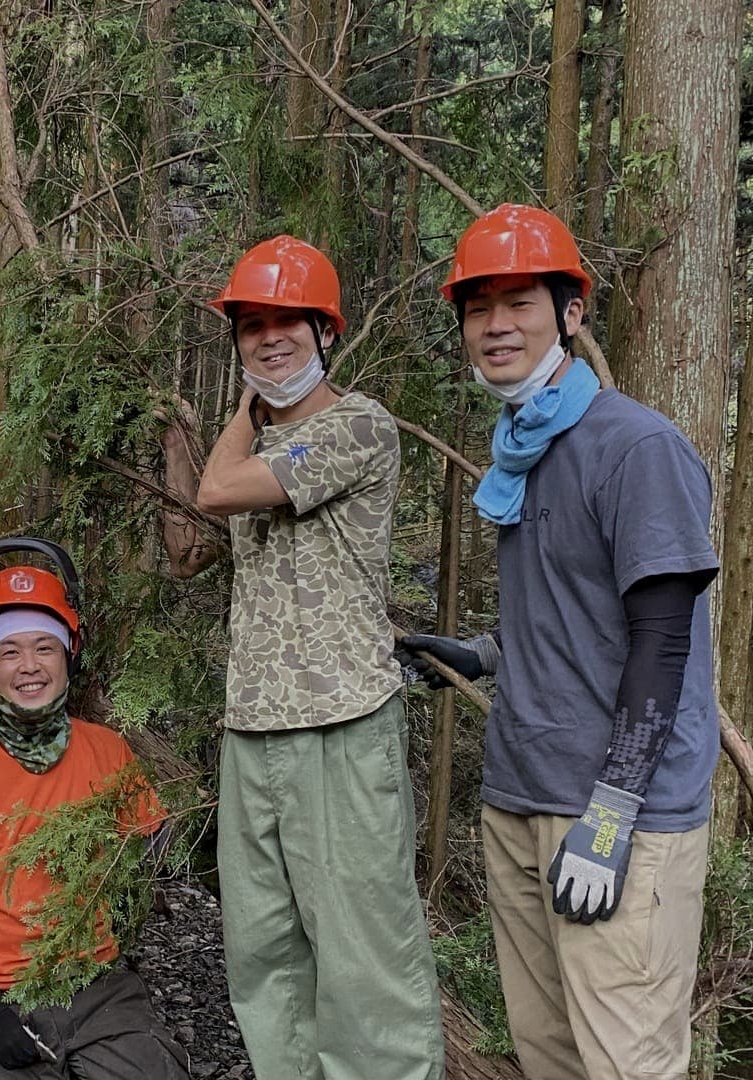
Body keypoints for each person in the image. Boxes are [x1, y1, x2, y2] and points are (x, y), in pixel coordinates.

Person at [398, 204, 719, 1080]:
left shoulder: (636, 447)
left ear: (571, 313)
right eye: (477, 307)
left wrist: (611, 816)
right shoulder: (524, 449)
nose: (496, 325)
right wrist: (485, 653)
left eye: (519, 302)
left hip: (622, 814)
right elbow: (580, 618)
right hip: (521, 797)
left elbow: (662, 644)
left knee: (626, 1065)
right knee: (550, 1059)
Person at [163, 236, 443, 1080]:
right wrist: (241, 414)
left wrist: (244, 410)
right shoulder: (258, 441)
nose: (269, 339)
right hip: (253, 725)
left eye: (289, 322)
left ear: (328, 333)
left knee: (364, 961)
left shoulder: (358, 425)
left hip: (341, 722)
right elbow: (188, 545)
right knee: (264, 957)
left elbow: (212, 494)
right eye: (251, 325)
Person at [0, 537, 190, 1079]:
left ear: (69, 655)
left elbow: (152, 854)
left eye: (45, 647)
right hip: (0, 992)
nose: (29, 666)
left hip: (99, 986)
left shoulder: (107, 749)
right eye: (9, 651)